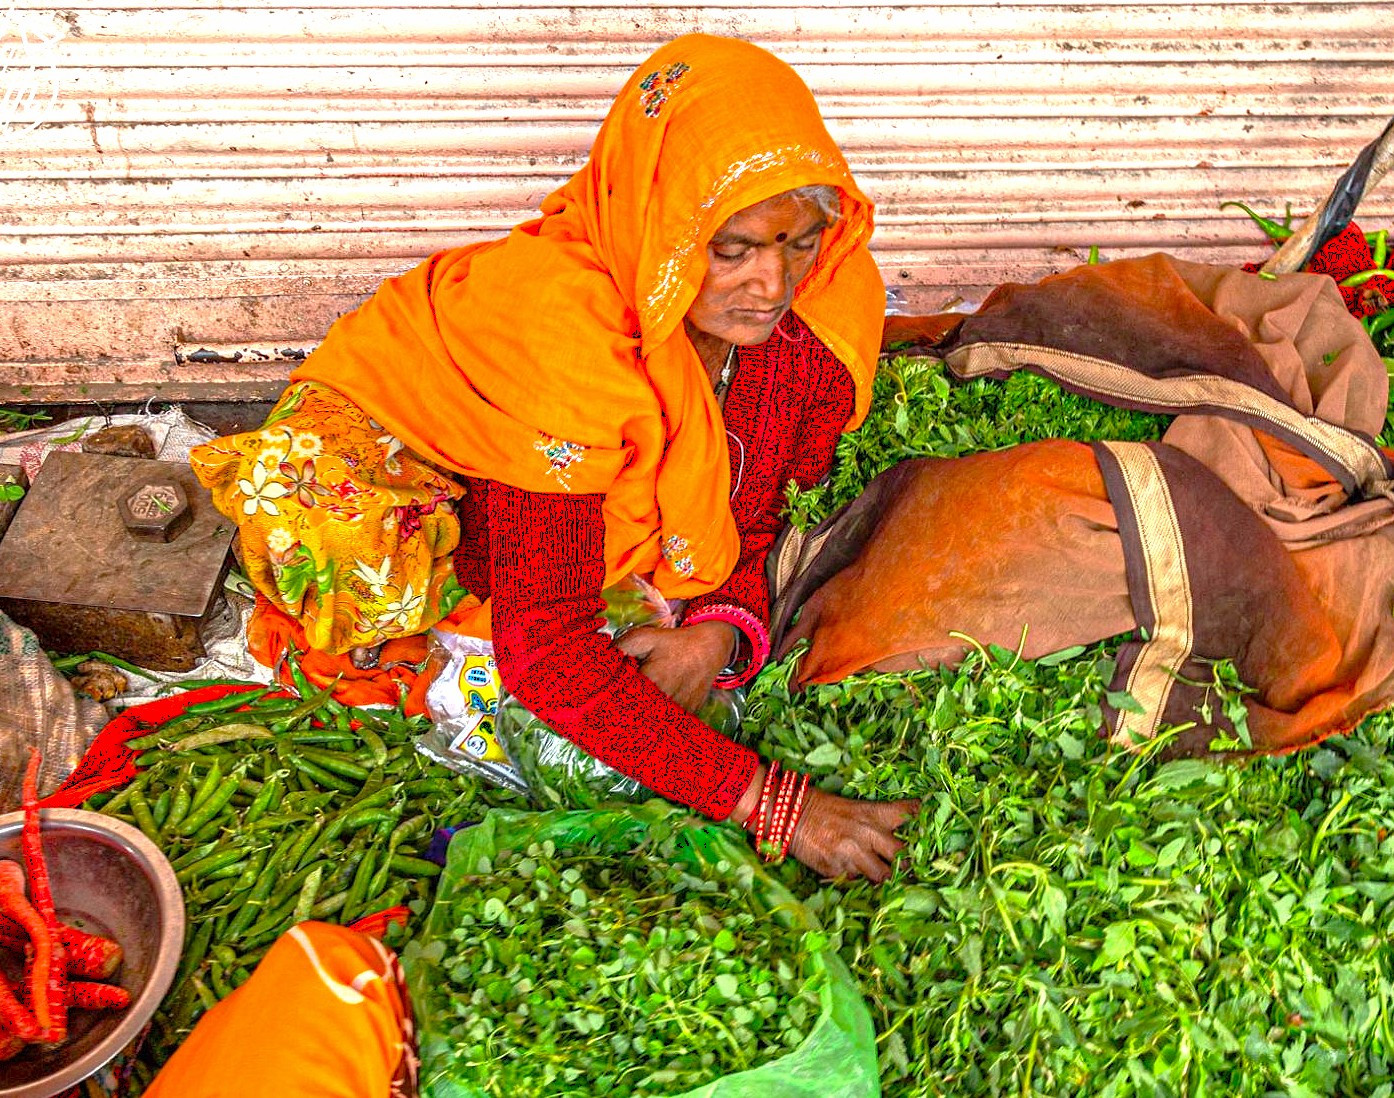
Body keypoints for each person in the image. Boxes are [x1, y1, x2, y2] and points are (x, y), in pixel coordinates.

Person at [192, 33, 919, 882]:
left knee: (620, 637)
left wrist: (718, 633)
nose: (774, 283)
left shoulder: (813, 313)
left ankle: (520, 537)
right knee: (367, 565)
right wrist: (770, 802)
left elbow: (756, 509)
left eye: (798, 241)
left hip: (535, 456)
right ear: (664, 225)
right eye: (733, 248)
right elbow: (550, 649)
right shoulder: (561, 336)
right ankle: (472, 553)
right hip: (391, 442)